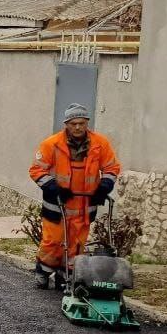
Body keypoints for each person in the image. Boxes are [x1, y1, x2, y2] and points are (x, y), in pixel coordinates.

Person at [29, 103, 121, 289]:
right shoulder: (51, 144)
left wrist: (104, 185)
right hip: (58, 203)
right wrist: (53, 187)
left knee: (77, 244)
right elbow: (37, 170)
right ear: (66, 124)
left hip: (85, 204)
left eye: (81, 123)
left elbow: (111, 168)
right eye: (73, 123)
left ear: (87, 122)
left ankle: (66, 275)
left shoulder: (100, 144)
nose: (77, 127)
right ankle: (43, 270)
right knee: (52, 241)